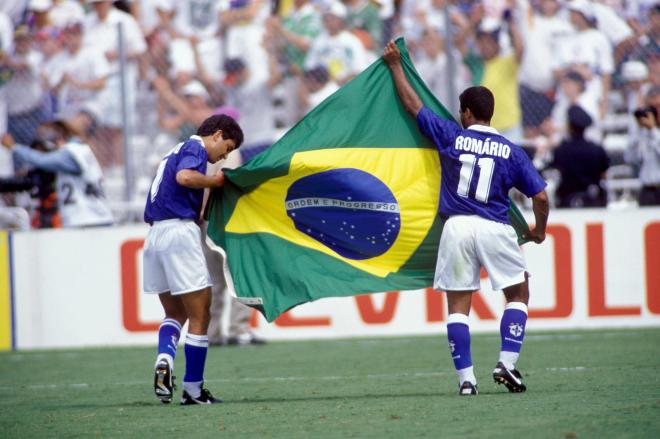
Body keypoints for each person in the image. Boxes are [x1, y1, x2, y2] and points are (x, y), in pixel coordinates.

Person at [383, 41, 549, 396]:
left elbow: (413, 106)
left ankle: (466, 382)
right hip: (495, 226)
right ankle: (507, 362)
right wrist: (539, 232)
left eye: (462, 111)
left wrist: (396, 66)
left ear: (468, 113)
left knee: (458, 305)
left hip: (456, 227)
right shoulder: (512, 151)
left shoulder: (452, 137)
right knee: (518, 293)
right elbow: (541, 197)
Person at [143, 114, 243, 405]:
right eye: (227, 146)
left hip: (155, 236)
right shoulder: (195, 148)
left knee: (175, 313)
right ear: (217, 134)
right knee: (201, 313)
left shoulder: (173, 151)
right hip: (178, 234)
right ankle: (194, 390)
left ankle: (164, 358)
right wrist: (215, 182)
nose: (225, 155)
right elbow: (185, 177)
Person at [1, 119, 114, 227]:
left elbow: (41, 160)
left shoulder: (71, 153)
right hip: (90, 219)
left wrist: (14, 147)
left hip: (88, 220)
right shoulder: (79, 151)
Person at [550, 105, 610, 208]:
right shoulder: (597, 149)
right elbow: (604, 174)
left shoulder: (561, 150)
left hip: (567, 200)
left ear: (569, 126)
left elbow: (555, 170)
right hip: (593, 200)